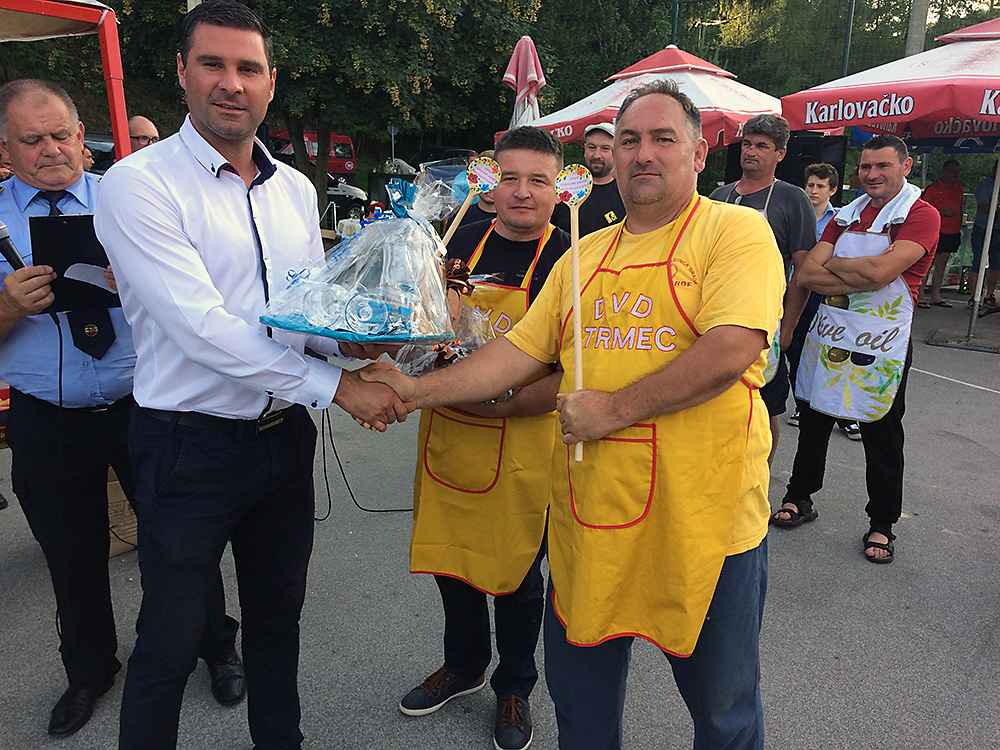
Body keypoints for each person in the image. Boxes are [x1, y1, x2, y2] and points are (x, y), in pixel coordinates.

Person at [362, 79, 784, 750]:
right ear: (612, 155)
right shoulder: (586, 252)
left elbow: (732, 348)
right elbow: (517, 353)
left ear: (700, 154)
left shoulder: (735, 232)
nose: (644, 153)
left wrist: (613, 409)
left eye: (663, 138)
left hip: (704, 523)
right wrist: (411, 390)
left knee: (723, 711)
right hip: (593, 519)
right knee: (581, 707)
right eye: (629, 140)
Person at [93, 2, 407, 748]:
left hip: (281, 443)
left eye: (249, 68)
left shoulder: (295, 189)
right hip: (187, 447)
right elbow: (201, 329)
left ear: (270, 83)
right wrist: (341, 389)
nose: (231, 83)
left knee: (277, 621)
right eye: (214, 64)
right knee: (169, 642)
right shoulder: (138, 184)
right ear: (181, 71)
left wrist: (356, 349)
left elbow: (300, 316)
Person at [397, 127, 569, 750]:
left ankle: (515, 685)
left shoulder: (570, 258)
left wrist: (505, 403)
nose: (521, 192)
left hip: (523, 438)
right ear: (490, 181)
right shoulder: (457, 240)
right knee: (453, 561)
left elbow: (572, 370)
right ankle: (464, 665)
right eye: (510, 177)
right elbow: (420, 327)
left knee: (518, 574)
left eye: (537, 180)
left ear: (558, 188)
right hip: (450, 431)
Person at [0, 78, 133, 738]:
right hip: (46, 418)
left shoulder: (132, 199)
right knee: (71, 556)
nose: (51, 149)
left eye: (61, 134)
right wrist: (5, 307)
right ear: (5, 148)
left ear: (83, 137)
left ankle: (212, 644)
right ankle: (89, 671)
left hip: (144, 405)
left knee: (179, 542)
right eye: (33, 139)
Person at [773, 134, 939, 564]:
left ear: (905, 166)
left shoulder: (921, 214)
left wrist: (837, 267)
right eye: (866, 166)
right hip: (831, 334)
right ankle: (799, 496)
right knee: (814, 418)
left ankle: (882, 521)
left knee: (880, 429)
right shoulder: (846, 214)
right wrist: (862, 274)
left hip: (881, 344)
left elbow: (883, 272)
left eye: (882, 166)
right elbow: (806, 274)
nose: (872, 174)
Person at [710, 114, 816, 465]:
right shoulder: (719, 196)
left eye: (761, 146)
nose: (751, 151)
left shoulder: (792, 199)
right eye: (747, 144)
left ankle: (760, 477)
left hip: (765, 319)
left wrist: (788, 328)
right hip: (714, 315)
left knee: (765, 404)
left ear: (780, 153)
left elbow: (803, 271)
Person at [785, 162, 861, 441]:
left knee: (833, 352)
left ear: (833, 190)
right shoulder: (795, 215)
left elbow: (842, 258)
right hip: (794, 289)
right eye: (810, 185)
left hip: (825, 293)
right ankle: (802, 405)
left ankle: (845, 416)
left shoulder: (839, 219)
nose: (813, 191)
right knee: (796, 350)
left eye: (820, 186)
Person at [552, 123, 626, 236]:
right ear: (585, 149)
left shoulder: (626, 194)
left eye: (605, 149)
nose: (597, 155)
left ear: (616, 152)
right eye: (592, 147)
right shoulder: (566, 189)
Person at [919, 159, 963, 308]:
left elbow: (960, 207)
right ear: (944, 171)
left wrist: (958, 226)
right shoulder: (933, 188)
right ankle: (920, 295)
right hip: (935, 230)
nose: (955, 174)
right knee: (927, 263)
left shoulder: (958, 188)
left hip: (952, 231)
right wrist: (942, 212)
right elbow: (923, 209)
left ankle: (935, 296)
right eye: (952, 171)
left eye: (957, 171)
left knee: (942, 264)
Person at [441, 149, 497, 232]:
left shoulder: (512, 220)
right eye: (484, 176)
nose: (488, 185)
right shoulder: (459, 220)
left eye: (494, 178)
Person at [969, 162, 999, 309]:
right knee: (978, 262)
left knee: (996, 264)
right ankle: (973, 296)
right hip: (983, 229)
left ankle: (989, 295)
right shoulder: (984, 186)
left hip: (998, 230)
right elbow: (985, 207)